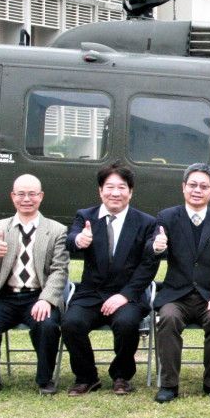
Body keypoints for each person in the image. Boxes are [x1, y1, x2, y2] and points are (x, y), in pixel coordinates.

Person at [147, 163, 210, 402]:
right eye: (192, 185)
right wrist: (156, 248)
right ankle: (168, 384)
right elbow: (153, 248)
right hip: (176, 295)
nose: (197, 190)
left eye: (204, 186)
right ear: (183, 187)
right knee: (167, 318)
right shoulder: (167, 217)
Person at [62, 161, 156, 396]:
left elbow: (148, 265)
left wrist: (124, 295)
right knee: (71, 323)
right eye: (109, 187)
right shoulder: (86, 217)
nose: (115, 193)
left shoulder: (145, 222)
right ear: (100, 190)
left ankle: (122, 376)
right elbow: (70, 239)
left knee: (126, 324)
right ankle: (86, 377)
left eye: (122, 187)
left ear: (130, 192)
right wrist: (78, 241)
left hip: (128, 294)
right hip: (91, 292)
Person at [0, 174, 69, 397]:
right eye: (21, 194)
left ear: (40, 197)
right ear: (13, 197)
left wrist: (46, 299)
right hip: (4, 296)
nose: (27, 199)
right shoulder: (0, 226)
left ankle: (45, 380)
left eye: (32, 194)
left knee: (46, 324)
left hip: (37, 295)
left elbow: (59, 270)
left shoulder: (56, 230)